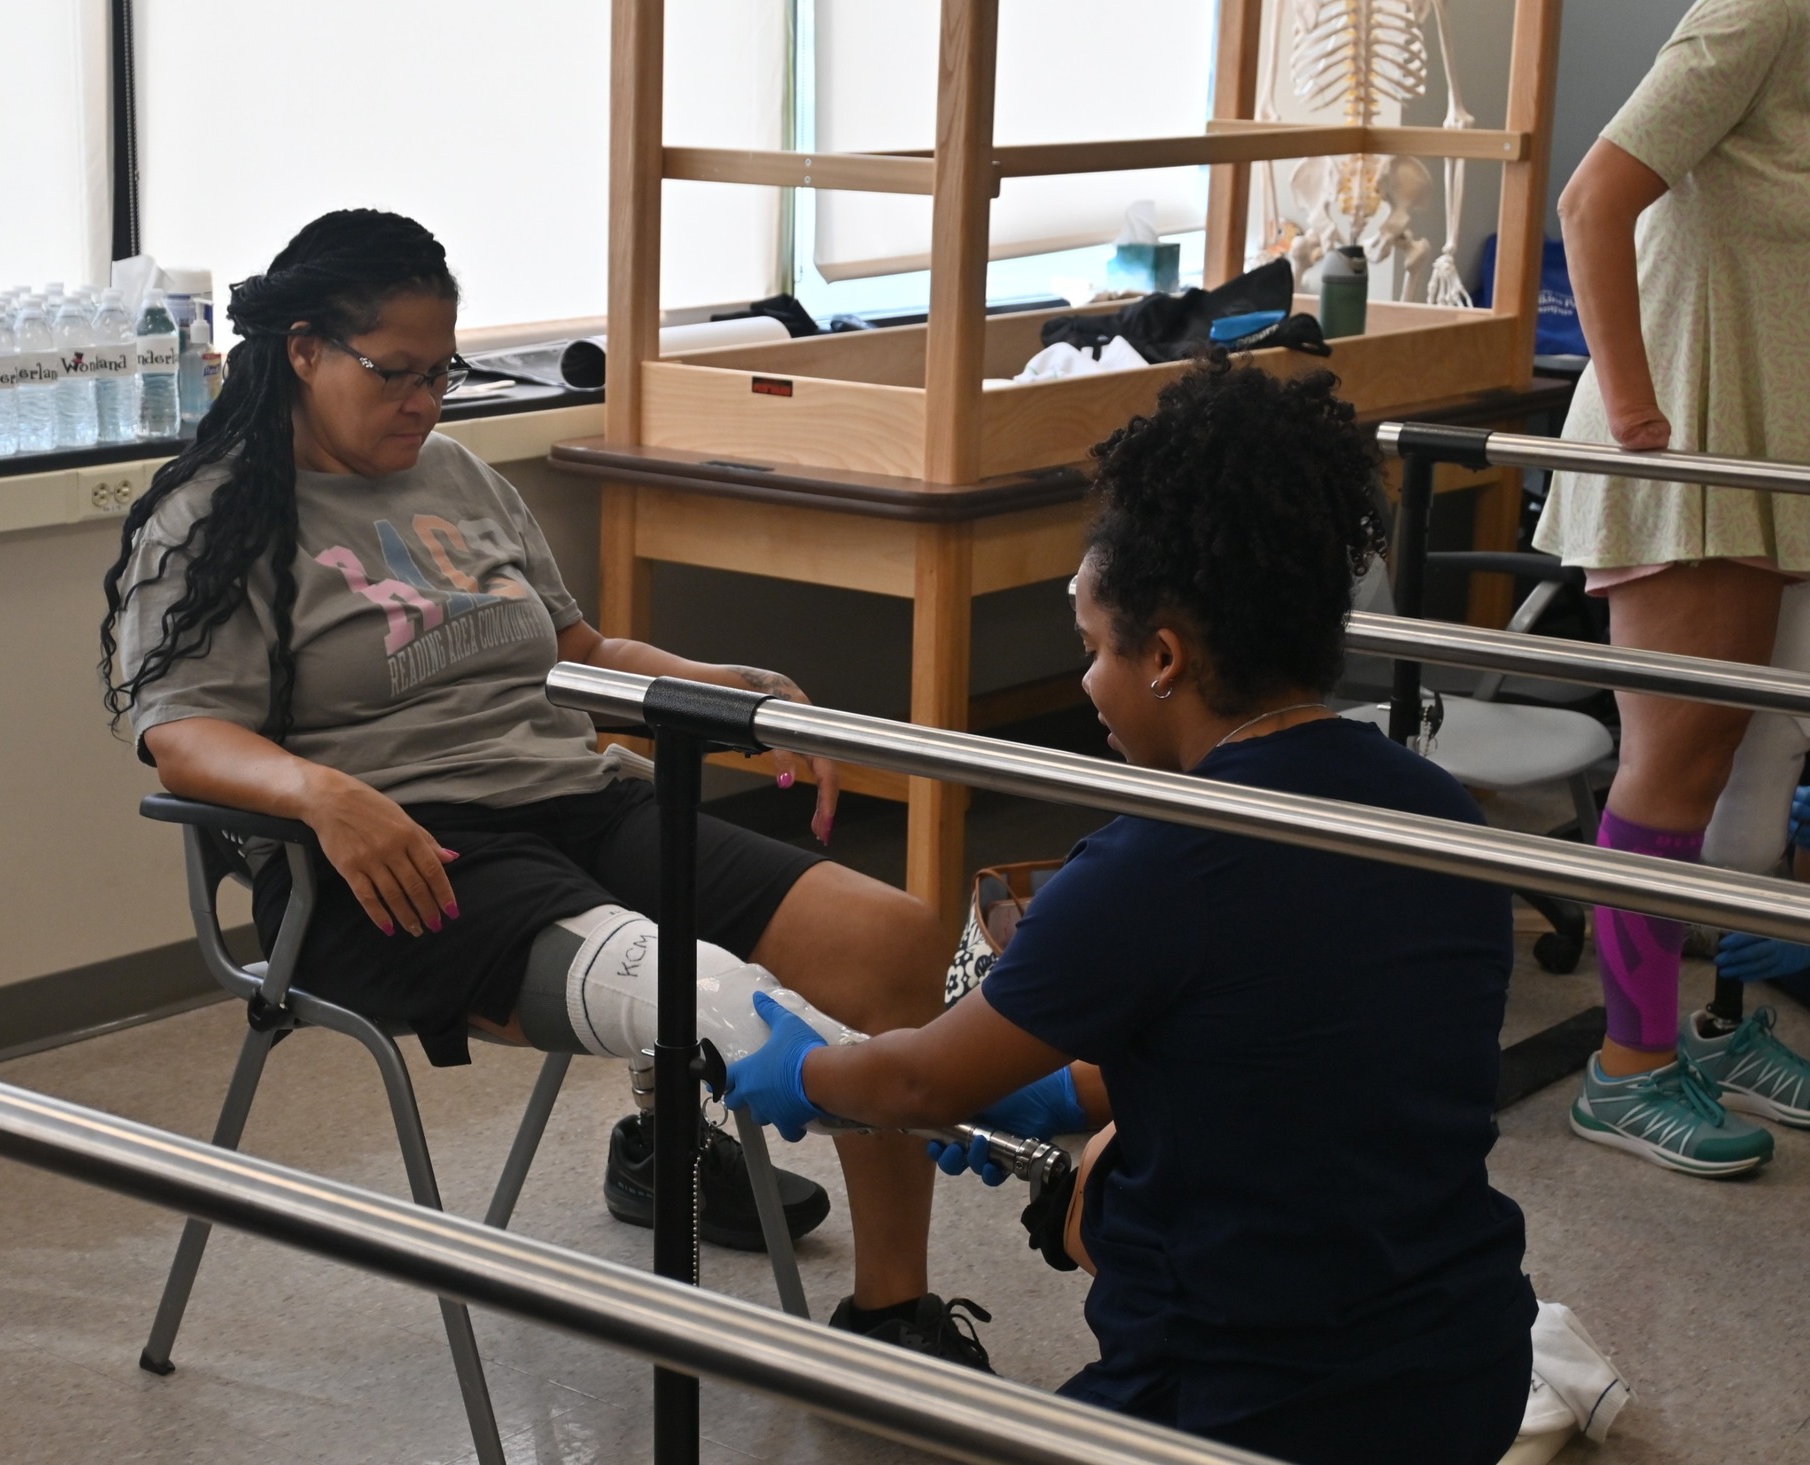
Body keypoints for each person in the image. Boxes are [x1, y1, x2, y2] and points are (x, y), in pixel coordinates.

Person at [99, 208, 988, 1365]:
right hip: (394, 860)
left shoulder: (456, 473)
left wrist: (729, 687)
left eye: (442, 371)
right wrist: (322, 794)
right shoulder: (214, 514)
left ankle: (889, 1314)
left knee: (892, 937)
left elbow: (577, 650)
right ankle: (682, 1141)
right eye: (397, 373)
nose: (426, 401)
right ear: (304, 348)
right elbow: (182, 734)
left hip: (571, 798)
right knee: (707, 997)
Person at [725, 358, 1535, 1465]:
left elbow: (919, 1080)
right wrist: (1069, 1091)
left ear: (1163, 657)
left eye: (1094, 645)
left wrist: (807, 1076)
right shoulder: (1430, 807)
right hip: (1466, 1361)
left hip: (1244, 1404)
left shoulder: (1152, 865)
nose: (1088, 680)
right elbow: (1306, 1048)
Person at [1533, 0, 1810, 1172]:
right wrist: (1641, 423)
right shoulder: (1764, 9)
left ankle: (1721, 1031)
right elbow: (1589, 201)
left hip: (1771, 437)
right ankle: (1625, 1067)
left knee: (1759, 765)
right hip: (1690, 434)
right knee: (1678, 760)